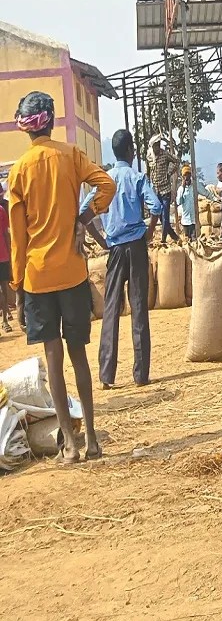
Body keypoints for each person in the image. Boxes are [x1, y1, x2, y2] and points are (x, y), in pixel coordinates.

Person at [7, 91, 115, 462]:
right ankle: (93, 439)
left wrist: (18, 289)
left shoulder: (19, 170)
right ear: (52, 122)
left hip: (37, 278)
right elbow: (107, 185)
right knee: (79, 355)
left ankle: (69, 444)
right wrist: (84, 218)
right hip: (72, 273)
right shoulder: (70, 155)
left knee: (53, 360)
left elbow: (18, 240)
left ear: (25, 128)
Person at [100, 130, 161, 389]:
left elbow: (84, 212)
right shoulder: (136, 177)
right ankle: (141, 375)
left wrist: (101, 240)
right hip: (136, 247)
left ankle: (106, 376)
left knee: (111, 310)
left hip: (114, 249)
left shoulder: (104, 181)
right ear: (129, 151)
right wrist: (150, 231)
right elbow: (156, 206)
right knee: (138, 308)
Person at [147, 136, 181, 244]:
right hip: (156, 190)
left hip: (165, 190)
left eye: (158, 145)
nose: (157, 148)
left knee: (165, 216)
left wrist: (169, 172)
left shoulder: (165, 154)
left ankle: (163, 239)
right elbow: (150, 171)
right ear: (152, 146)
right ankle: (174, 236)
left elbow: (177, 161)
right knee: (160, 217)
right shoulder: (150, 157)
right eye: (155, 146)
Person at [175, 165, 208, 239]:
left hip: (194, 220)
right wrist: (183, 189)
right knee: (187, 240)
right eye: (185, 175)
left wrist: (214, 198)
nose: (186, 177)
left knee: (194, 240)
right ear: (182, 177)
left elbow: (205, 193)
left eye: (188, 175)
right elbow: (178, 202)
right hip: (185, 221)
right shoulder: (180, 189)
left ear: (190, 175)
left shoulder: (195, 186)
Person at [0, 187, 11, 333]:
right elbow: (6, 234)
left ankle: (5, 319)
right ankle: (5, 320)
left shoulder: (1, 210)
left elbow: (5, 233)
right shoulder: (2, 210)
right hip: (3, 255)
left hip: (2, 255)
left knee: (3, 288)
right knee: (3, 288)